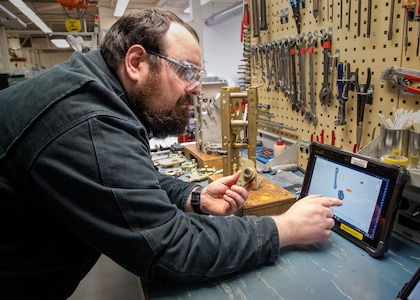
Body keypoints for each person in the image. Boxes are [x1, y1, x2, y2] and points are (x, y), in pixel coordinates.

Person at [0, 8, 342, 299]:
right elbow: (172, 249)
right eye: (186, 71)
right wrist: (285, 228)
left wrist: (194, 196)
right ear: (136, 62)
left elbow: (127, 181)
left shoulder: (96, 94)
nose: (195, 88)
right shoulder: (87, 121)